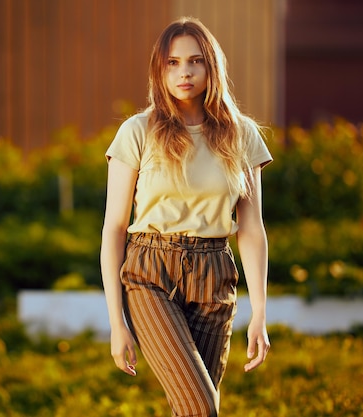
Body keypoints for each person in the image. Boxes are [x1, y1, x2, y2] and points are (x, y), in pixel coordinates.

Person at [100, 17, 272, 416]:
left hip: (215, 276)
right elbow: (114, 228)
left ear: (212, 67)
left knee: (192, 410)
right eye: (172, 63)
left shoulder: (241, 134)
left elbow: (251, 229)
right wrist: (116, 321)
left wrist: (260, 312)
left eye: (195, 61)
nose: (185, 72)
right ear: (159, 71)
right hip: (150, 274)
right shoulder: (137, 131)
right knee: (201, 407)